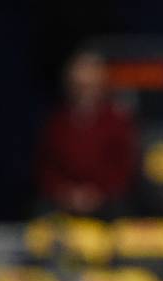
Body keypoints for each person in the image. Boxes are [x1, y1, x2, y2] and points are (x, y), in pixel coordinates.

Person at [35, 51, 138, 219]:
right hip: (64, 200)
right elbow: (47, 167)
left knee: (122, 211)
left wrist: (97, 194)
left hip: (107, 200)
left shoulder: (118, 121)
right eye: (80, 85)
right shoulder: (57, 123)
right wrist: (68, 194)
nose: (86, 91)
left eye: (91, 84)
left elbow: (124, 168)